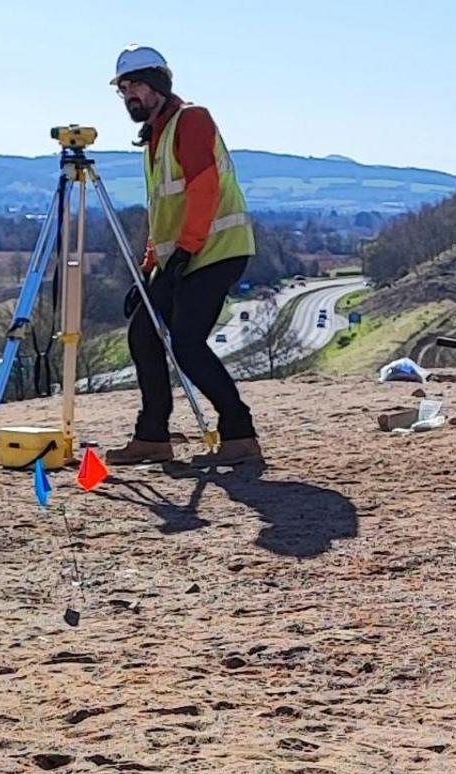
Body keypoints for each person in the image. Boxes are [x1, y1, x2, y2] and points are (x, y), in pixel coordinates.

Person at [106, 45, 265, 468]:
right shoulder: (156, 137)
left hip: (215, 250)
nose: (128, 96)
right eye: (122, 89)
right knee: (143, 332)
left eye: (134, 85)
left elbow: (204, 188)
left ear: (158, 83)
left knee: (187, 343)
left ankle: (239, 432)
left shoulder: (190, 120)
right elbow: (163, 214)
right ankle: (152, 436)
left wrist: (186, 250)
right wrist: (148, 271)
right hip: (184, 254)